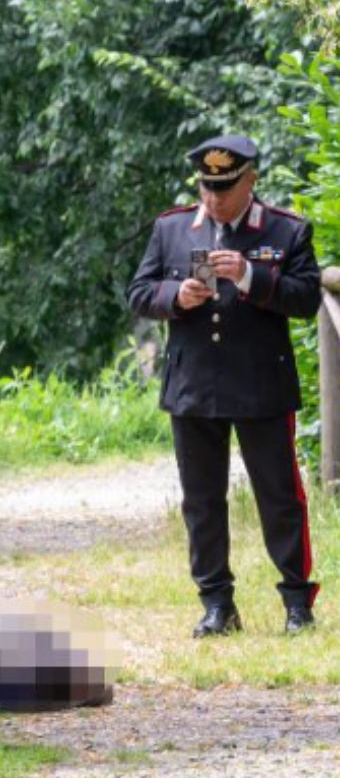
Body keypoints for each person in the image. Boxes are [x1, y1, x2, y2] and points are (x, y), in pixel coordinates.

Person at [127, 135, 322, 638]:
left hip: (261, 382)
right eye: (207, 188)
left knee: (279, 498)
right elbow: (139, 292)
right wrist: (176, 295)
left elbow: (304, 298)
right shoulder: (172, 228)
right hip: (193, 384)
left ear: (250, 181)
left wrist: (253, 276)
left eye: (225, 189)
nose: (214, 199)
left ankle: (297, 602)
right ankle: (217, 604)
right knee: (201, 500)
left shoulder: (287, 229)